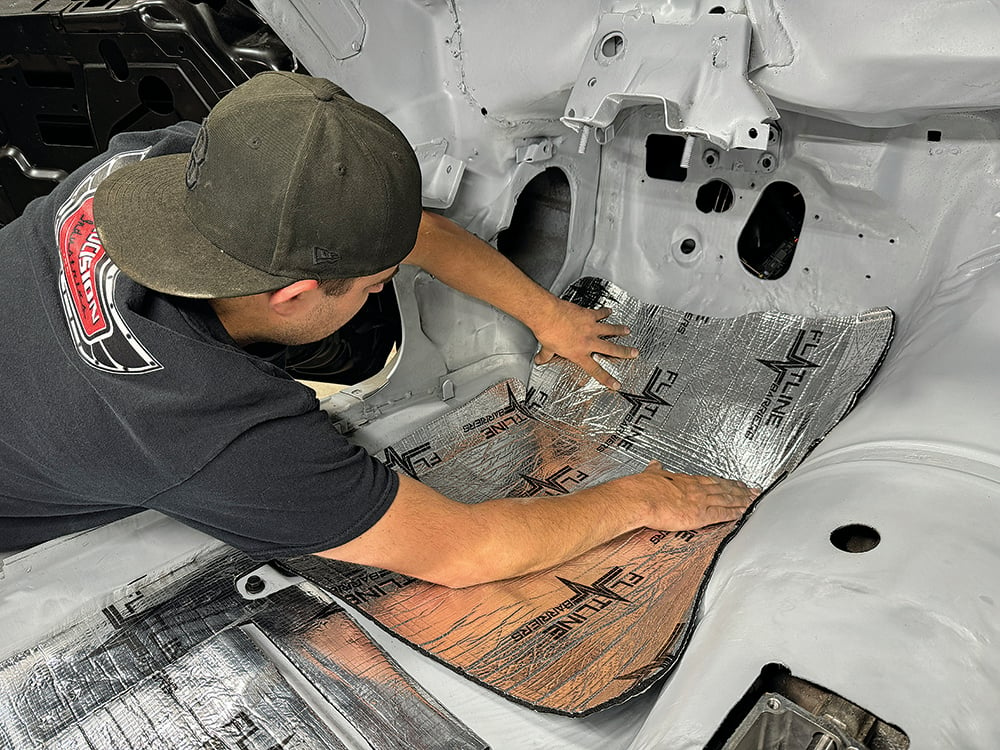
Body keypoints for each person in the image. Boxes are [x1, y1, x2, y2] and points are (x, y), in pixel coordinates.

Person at [0, 71, 754, 587]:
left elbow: (401, 234)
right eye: (375, 288)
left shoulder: (158, 170)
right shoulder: (207, 428)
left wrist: (547, 314)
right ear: (295, 296)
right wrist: (637, 500)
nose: (382, 287)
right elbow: (465, 552)